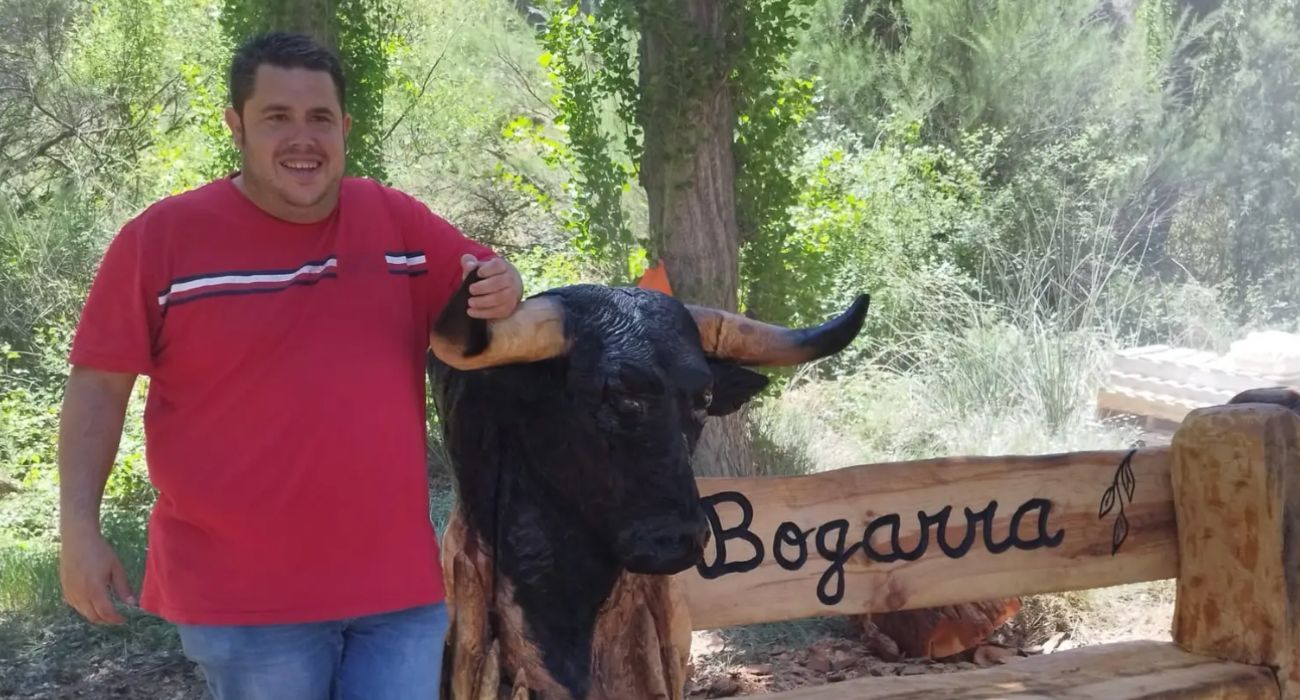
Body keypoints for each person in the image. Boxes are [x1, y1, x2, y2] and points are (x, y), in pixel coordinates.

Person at [56, 31, 522, 699]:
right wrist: (79, 532)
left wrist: (505, 283)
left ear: (344, 128)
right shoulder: (160, 241)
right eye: (277, 117)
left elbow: (486, 286)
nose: (302, 138)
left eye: (319, 118)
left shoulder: (395, 222)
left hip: (397, 595)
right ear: (235, 124)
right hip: (246, 601)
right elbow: (98, 386)